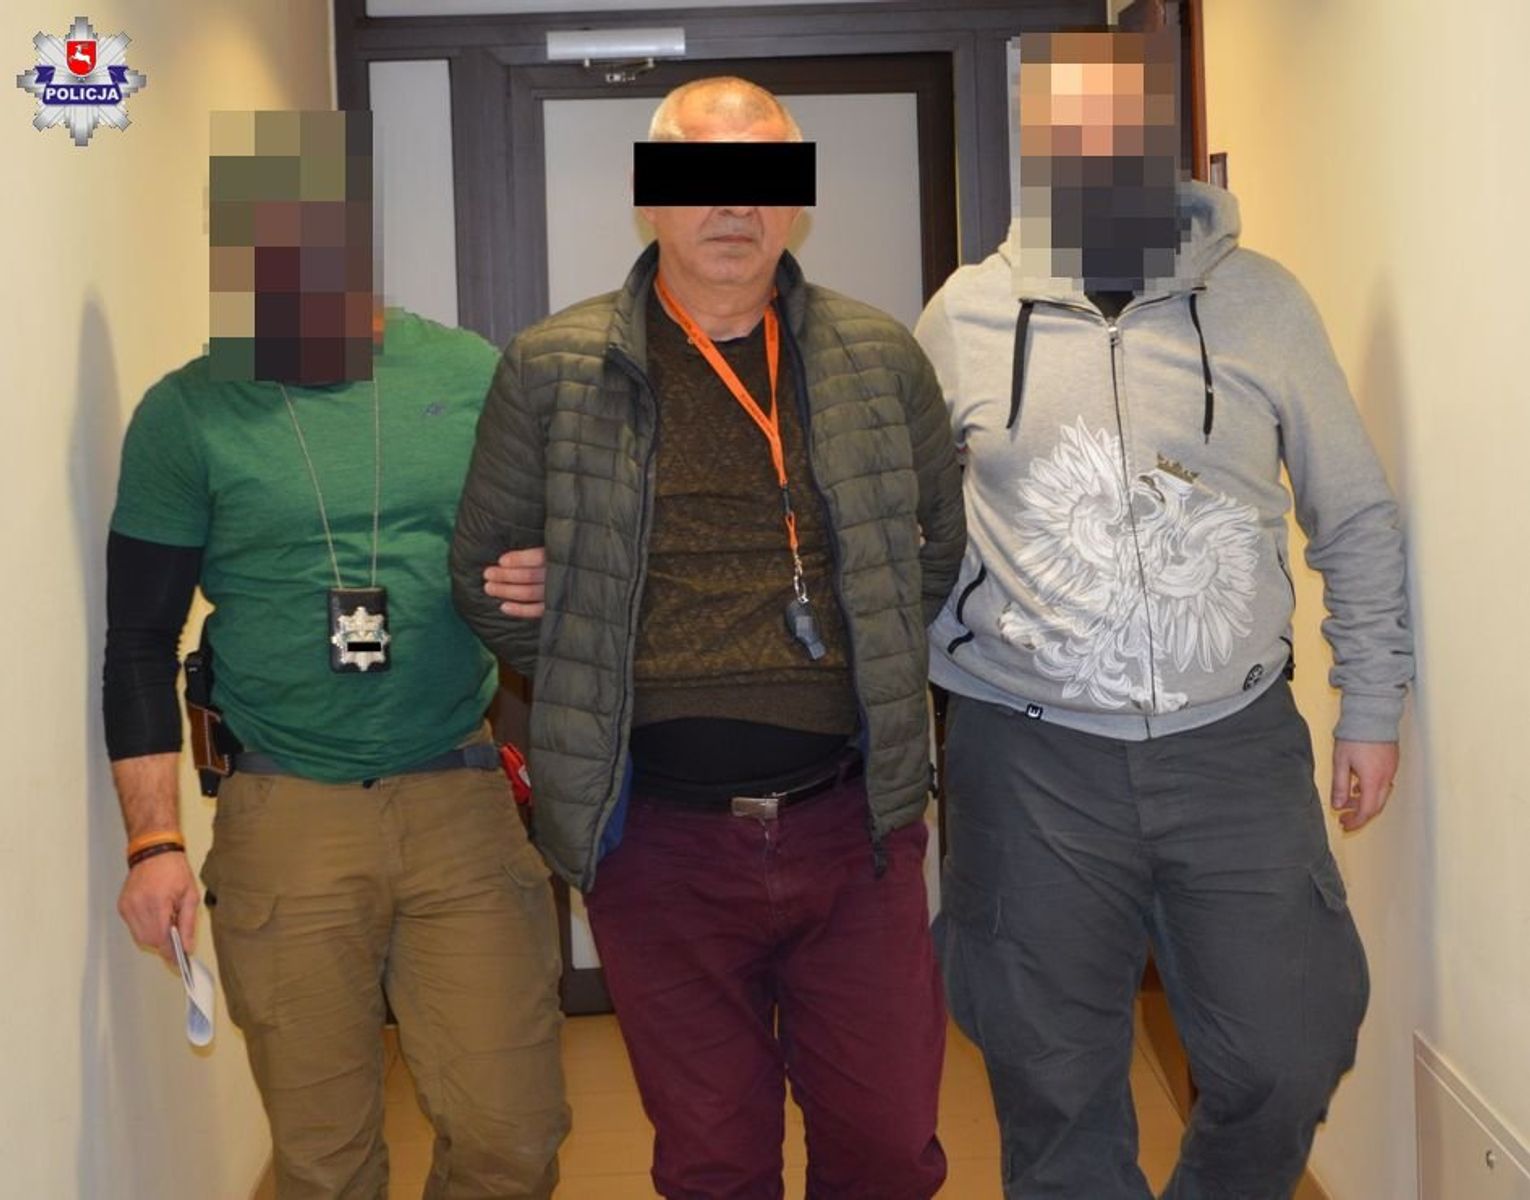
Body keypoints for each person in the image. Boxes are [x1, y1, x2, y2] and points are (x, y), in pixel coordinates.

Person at [914, 30, 1414, 1199]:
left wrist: (1371, 705)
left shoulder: (1261, 302)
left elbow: (1352, 511)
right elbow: (907, 533)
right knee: (1053, 1089)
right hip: (1027, 755)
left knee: (1288, 1054)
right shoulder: (965, 316)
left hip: (1232, 747)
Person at [450, 77, 965, 1200]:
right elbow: (485, 575)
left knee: (887, 1148)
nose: (733, 206)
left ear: (797, 199)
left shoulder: (878, 356)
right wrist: (594, 656)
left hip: (853, 833)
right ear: (650, 198)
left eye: (762, 175)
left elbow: (935, 551)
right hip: (658, 845)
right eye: (700, 177)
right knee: (713, 1161)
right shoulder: (553, 366)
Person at [105, 109, 568, 1199]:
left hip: (457, 795)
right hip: (285, 816)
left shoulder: (468, 372)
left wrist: (554, 575)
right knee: (324, 1164)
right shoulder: (186, 413)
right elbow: (137, 642)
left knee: (512, 1139)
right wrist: (153, 843)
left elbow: (559, 555)